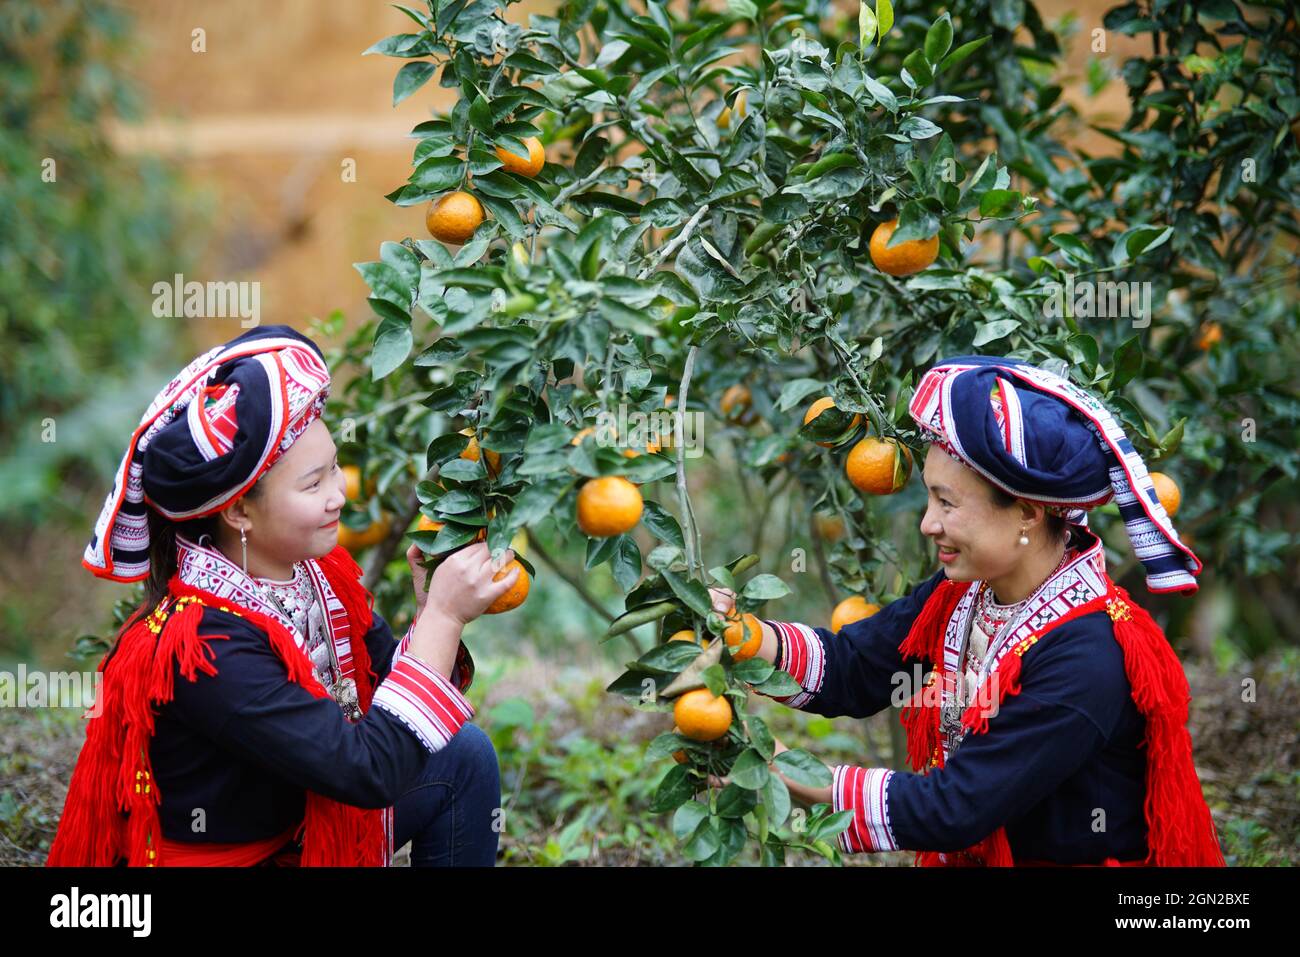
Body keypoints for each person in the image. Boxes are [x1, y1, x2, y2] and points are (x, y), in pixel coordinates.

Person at [709, 354, 1225, 866]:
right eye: (929, 502)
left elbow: (957, 807)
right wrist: (743, 636)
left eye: (947, 503)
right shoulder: (964, 592)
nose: (928, 525)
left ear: (1026, 511)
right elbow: (856, 667)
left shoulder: (1088, 656)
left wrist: (776, 767)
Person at [46, 324, 518, 867]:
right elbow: (366, 771)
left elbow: (385, 696)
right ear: (239, 510)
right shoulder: (204, 647)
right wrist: (442, 616)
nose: (340, 493)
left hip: (297, 832)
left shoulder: (319, 576)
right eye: (313, 484)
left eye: (335, 466)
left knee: (463, 759)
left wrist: (431, 614)